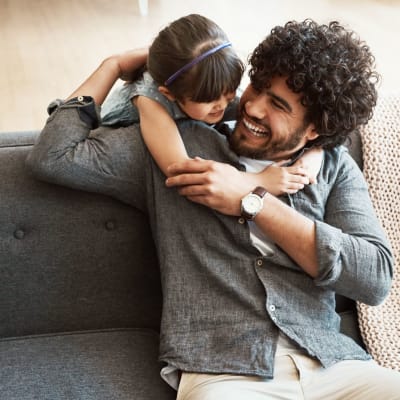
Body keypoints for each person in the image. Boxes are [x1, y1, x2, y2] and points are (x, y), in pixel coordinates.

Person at [27, 18, 400, 399]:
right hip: (226, 377)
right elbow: (53, 157)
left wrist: (252, 200)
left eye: (277, 104)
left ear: (314, 130)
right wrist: (112, 66)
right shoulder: (175, 148)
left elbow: (374, 277)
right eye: (257, 86)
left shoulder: (331, 167)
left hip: (335, 368)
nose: (251, 107)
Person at [101, 13, 322, 194]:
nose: (222, 106)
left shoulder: (208, 90)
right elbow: (178, 170)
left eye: (229, 94)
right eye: (210, 101)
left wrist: (314, 153)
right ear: (169, 94)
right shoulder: (152, 103)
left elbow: (312, 129)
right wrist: (258, 181)